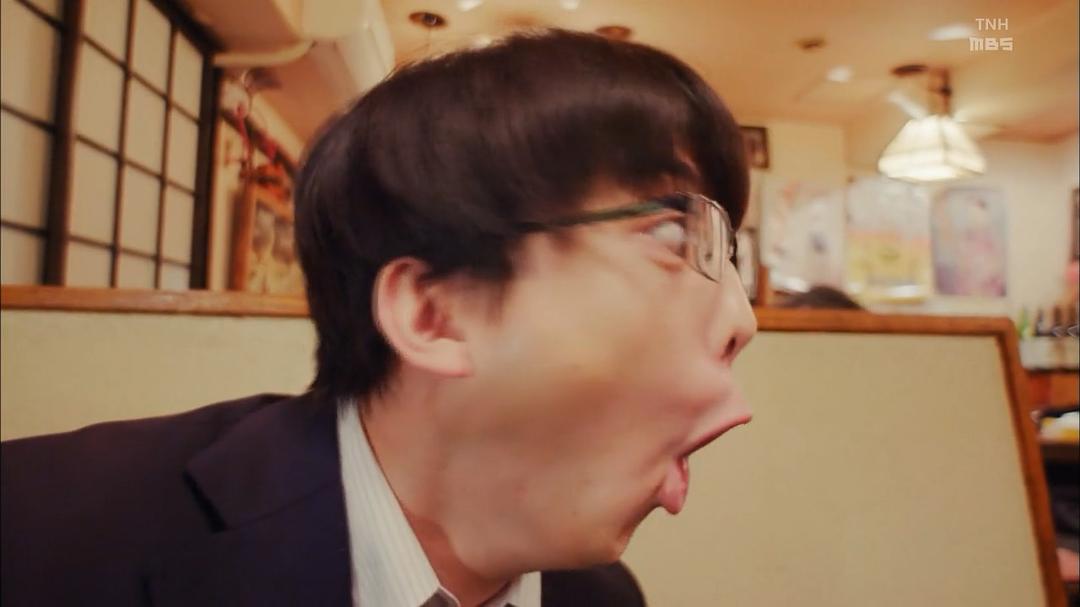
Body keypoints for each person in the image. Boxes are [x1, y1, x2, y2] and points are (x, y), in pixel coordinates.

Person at [1, 29, 756, 606]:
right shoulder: (41, 534)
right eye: (671, 234)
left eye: (725, 252)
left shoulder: (601, 597)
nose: (742, 320)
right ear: (434, 313)